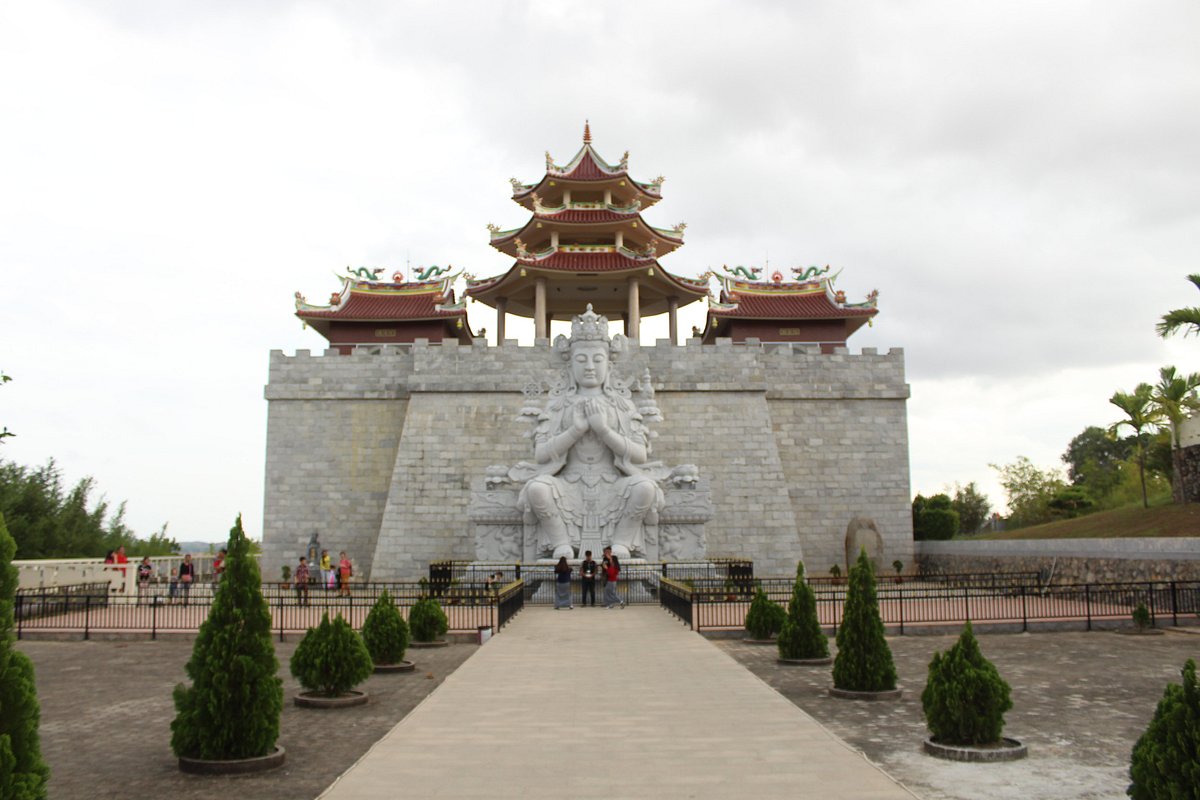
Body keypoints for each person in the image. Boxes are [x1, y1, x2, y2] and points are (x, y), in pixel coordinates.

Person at [513, 306, 664, 560]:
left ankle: (621, 544)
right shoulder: (560, 404)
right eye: (581, 360)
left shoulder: (621, 405)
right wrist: (576, 429)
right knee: (538, 488)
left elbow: (639, 456)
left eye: (598, 359)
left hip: (613, 484)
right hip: (568, 484)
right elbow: (541, 455)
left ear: (609, 365)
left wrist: (604, 429)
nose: (590, 367)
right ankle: (561, 544)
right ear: (570, 365)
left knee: (645, 487)